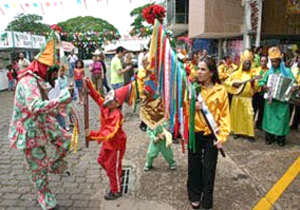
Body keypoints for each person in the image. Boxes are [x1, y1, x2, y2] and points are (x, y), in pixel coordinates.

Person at [8, 30, 72, 210]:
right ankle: (44, 195)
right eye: (52, 72)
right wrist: (60, 101)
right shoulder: (28, 82)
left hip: (42, 121)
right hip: (28, 129)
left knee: (66, 139)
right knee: (38, 165)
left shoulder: (36, 78)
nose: (52, 77)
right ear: (45, 69)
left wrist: (61, 102)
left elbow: (46, 101)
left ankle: (56, 165)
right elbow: (35, 106)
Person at [187, 57, 230, 210]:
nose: (199, 72)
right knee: (194, 165)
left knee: (209, 168)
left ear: (211, 73)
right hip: (195, 132)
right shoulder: (192, 88)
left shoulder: (221, 90)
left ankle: (207, 200)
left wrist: (222, 137)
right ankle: (194, 195)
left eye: (203, 69)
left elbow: (225, 116)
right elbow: (183, 110)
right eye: (198, 68)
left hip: (212, 134)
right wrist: (192, 106)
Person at [84, 77, 129, 200]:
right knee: (101, 161)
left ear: (117, 103)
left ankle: (116, 190)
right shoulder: (106, 108)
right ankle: (115, 174)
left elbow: (110, 132)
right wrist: (89, 84)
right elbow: (98, 98)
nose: (107, 103)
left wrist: (92, 135)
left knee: (112, 167)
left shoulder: (117, 115)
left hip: (116, 145)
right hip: (107, 143)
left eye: (111, 101)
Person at [259, 47, 295, 146]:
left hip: (282, 102)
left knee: (282, 121)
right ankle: (269, 138)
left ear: (280, 61)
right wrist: (264, 86)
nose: (274, 64)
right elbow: (261, 82)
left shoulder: (287, 72)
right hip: (271, 101)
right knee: (269, 120)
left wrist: (293, 88)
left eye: (276, 61)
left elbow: (294, 83)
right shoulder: (269, 72)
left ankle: (281, 139)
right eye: (272, 62)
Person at [225, 50, 259, 142]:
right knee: (237, 116)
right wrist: (233, 84)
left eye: (249, 64)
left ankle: (250, 134)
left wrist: (253, 83)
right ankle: (237, 132)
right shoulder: (236, 74)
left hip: (247, 99)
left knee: (248, 116)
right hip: (237, 98)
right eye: (245, 63)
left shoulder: (253, 74)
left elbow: (256, 88)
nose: (247, 65)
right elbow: (227, 83)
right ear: (242, 64)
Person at [252, 56, 269, 129]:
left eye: (265, 61)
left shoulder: (269, 71)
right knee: (253, 109)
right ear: (260, 62)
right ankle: (250, 125)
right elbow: (251, 79)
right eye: (262, 61)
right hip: (256, 93)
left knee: (262, 110)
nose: (263, 62)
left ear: (267, 62)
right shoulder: (255, 70)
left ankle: (259, 124)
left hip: (264, 93)